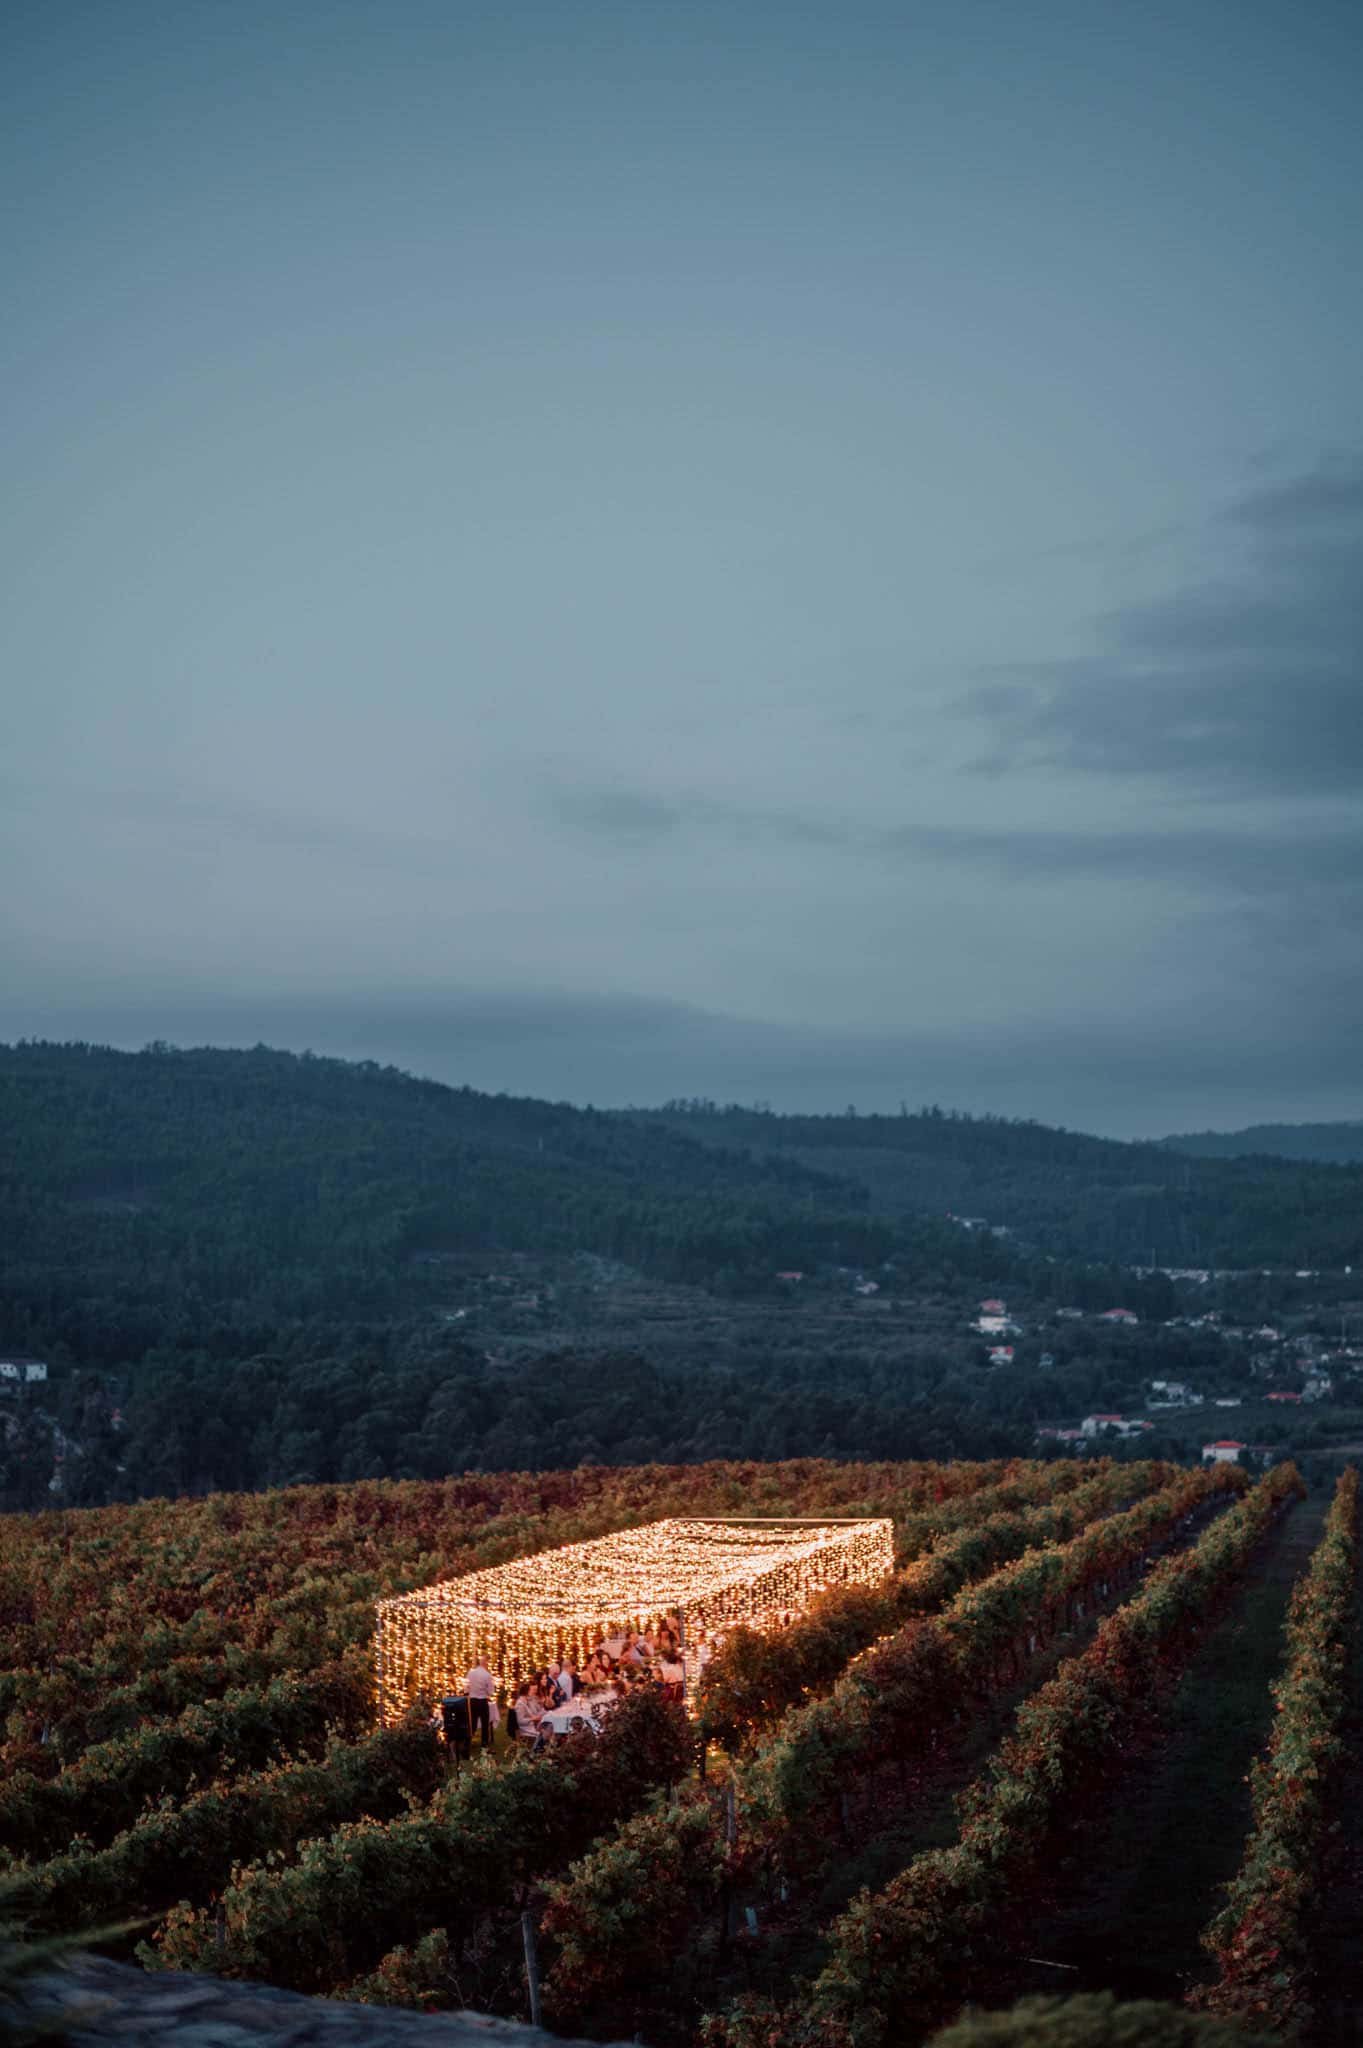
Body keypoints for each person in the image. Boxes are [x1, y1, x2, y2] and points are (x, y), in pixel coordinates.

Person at [463, 1658, 496, 1750]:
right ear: (486, 1663)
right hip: (482, 1701)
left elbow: (466, 1687)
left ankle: (467, 1743)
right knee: (485, 1724)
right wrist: (486, 1691)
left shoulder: (471, 1672)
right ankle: (484, 1745)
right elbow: (491, 1692)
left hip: (472, 1701)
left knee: (472, 1723)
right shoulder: (487, 1675)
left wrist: (469, 1692)